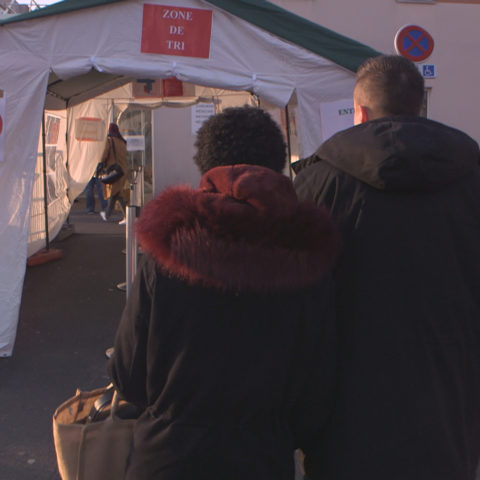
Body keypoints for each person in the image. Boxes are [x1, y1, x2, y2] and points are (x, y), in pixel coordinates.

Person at [108, 106, 339, 480]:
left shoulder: (170, 246)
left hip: (167, 456)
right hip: (261, 456)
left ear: (206, 163)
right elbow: (316, 391)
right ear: (277, 162)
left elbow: (127, 373)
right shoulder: (306, 255)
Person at [293, 55, 480, 480]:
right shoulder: (471, 176)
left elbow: (296, 299)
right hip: (450, 399)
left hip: (345, 406)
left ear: (359, 111)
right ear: (420, 107)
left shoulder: (318, 182)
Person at [99, 122, 129, 223]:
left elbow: (104, 154)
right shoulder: (122, 142)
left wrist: (100, 162)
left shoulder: (110, 141)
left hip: (114, 170)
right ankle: (127, 216)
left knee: (113, 193)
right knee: (118, 193)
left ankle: (107, 214)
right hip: (122, 170)